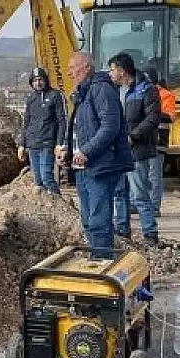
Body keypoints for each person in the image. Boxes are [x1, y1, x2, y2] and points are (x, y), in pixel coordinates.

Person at [60, 52, 134, 260]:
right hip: (84, 168)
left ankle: (102, 265)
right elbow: (81, 128)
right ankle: (97, 260)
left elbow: (110, 127)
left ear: (86, 67)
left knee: (99, 221)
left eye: (72, 67)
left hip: (101, 166)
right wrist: (68, 149)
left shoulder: (101, 89)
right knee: (88, 220)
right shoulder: (83, 93)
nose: (68, 72)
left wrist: (86, 151)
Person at [108, 53, 162, 246]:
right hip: (118, 150)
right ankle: (122, 230)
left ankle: (150, 233)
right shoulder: (113, 90)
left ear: (122, 71)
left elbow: (152, 118)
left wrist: (133, 136)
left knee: (139, 193)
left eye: (112, 69)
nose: (110, 73)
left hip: (137, 150)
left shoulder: (146, 90)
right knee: (119, 192)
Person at [17, 67, 68, 195]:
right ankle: (46, 208)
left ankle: (59, 203)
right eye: (34, 80)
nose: (38, 83)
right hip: (33, 145)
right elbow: (26, 123)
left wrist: (59, 143)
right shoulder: (31, 99)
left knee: (46, 178)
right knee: (38, 180)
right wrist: (22, 144)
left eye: (40, 80)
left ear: (45, 80)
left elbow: (62, 121)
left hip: (47, 144)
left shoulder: (55, 96)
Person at [149, 72, 176, 216]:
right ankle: (139, 203)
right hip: (143, 140)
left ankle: (153, 206)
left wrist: (152, 113)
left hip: (158, 141)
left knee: (154, 175)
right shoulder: (139, 93)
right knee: (140, 174)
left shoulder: (166, 95)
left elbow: (171, 117)